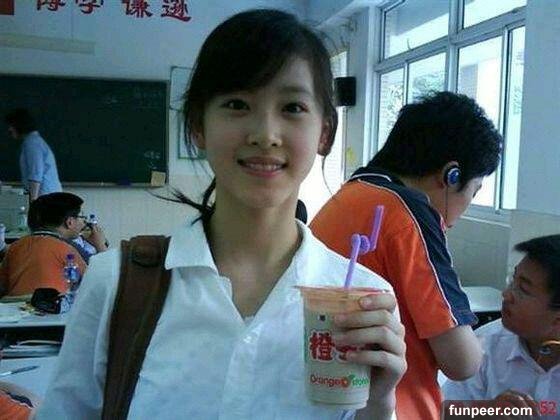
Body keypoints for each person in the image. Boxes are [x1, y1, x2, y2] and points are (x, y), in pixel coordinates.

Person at [35, 9, 406, 420]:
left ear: (325, 132)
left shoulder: (363, 301)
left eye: (293, 107)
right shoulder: (116, 284)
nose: (265, 134)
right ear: (198, 126)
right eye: (236, 104)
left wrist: (378, 404)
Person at [311, 91, 502, 419]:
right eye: (474, 191)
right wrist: (486, 344)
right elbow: (462, 363)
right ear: (452, 175)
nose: (466, 208)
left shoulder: (345, 198)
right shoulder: (410, 212)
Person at [443, 235, 560, 415]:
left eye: (523, 290)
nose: (506, 294)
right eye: (513, 281)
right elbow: (441, 410)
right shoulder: (487, 343)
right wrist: (485, 411)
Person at [0, 192, 87, 296]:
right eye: (82, 217)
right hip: (50, 304)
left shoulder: (15, 246)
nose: (84, 222)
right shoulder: (68, 248)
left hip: (13, 304)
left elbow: (3, 285)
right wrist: (99, 244)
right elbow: (95, 281)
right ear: (70, 222)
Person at [5, 108, 62, 203]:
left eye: (12, 125)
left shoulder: (32, 143)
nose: (10, 129)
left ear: (20, 125)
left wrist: (33, 203)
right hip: (49, 197)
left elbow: (35, 175)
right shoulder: (33, 141)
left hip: (46, 198)